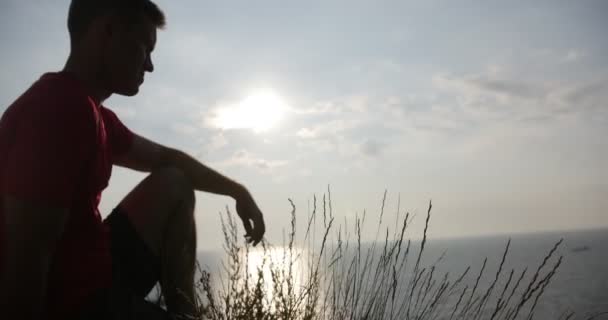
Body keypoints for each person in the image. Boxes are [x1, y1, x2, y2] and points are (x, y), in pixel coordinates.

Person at [0, 0, 266, 319]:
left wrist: (238, 191)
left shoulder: (93, 113)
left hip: (95, 273)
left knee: (174, 182)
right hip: (75, 304)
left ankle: (185, 312)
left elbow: (168, 159)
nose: (150, 65)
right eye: (145, 48)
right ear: (108, 32)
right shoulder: (59, 108)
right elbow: (26, 256)